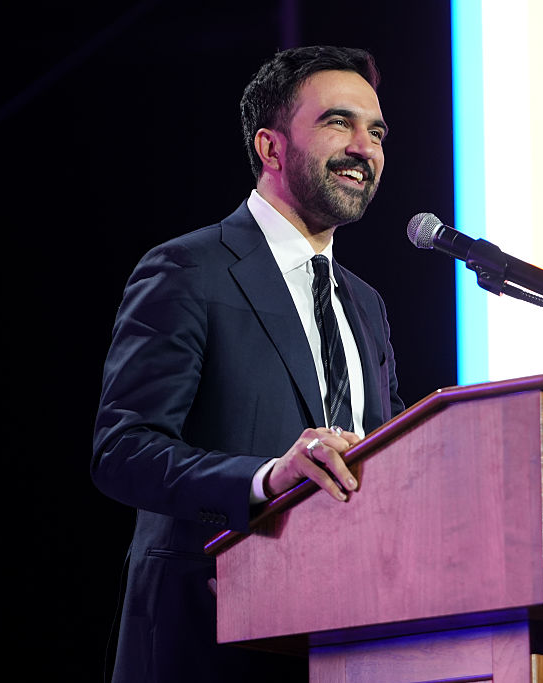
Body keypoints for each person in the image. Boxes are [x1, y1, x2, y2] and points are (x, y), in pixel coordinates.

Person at [91, 46, 404, 682]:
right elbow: (123, 451)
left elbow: (390, 458)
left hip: (344, 639)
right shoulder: (188, 269)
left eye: (376, 132)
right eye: (338, 122)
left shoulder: (366, 305)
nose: (363, 148)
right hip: (210, 642)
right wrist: (264, 480)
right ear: (270, 147)